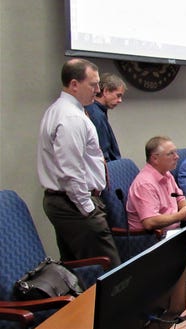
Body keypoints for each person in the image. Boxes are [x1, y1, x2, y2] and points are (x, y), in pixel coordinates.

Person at [37, 58, 121, 268]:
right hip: (75, 204)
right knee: (110, 272)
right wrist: (88, 208)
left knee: (79, 269)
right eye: (93, 84)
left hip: (66, 202)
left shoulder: (59, 109)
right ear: (74, 84)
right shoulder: (71, 117)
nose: (98, 90)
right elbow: (71, 172)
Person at [126, 136, 186, 231]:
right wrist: (180, 216)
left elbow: (180, 198)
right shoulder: (145, 184)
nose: (177, 157)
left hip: (174, 232)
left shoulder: (166, 173)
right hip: (152, 239)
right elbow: (150, 222)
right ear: (155, 158)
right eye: (170, 154)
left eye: (175, 152)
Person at [85, 73, 127, 162]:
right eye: (118, 95)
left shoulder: (95, 110)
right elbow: (102, 151)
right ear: (106, 91)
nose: (120, 100)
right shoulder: (96, 115)